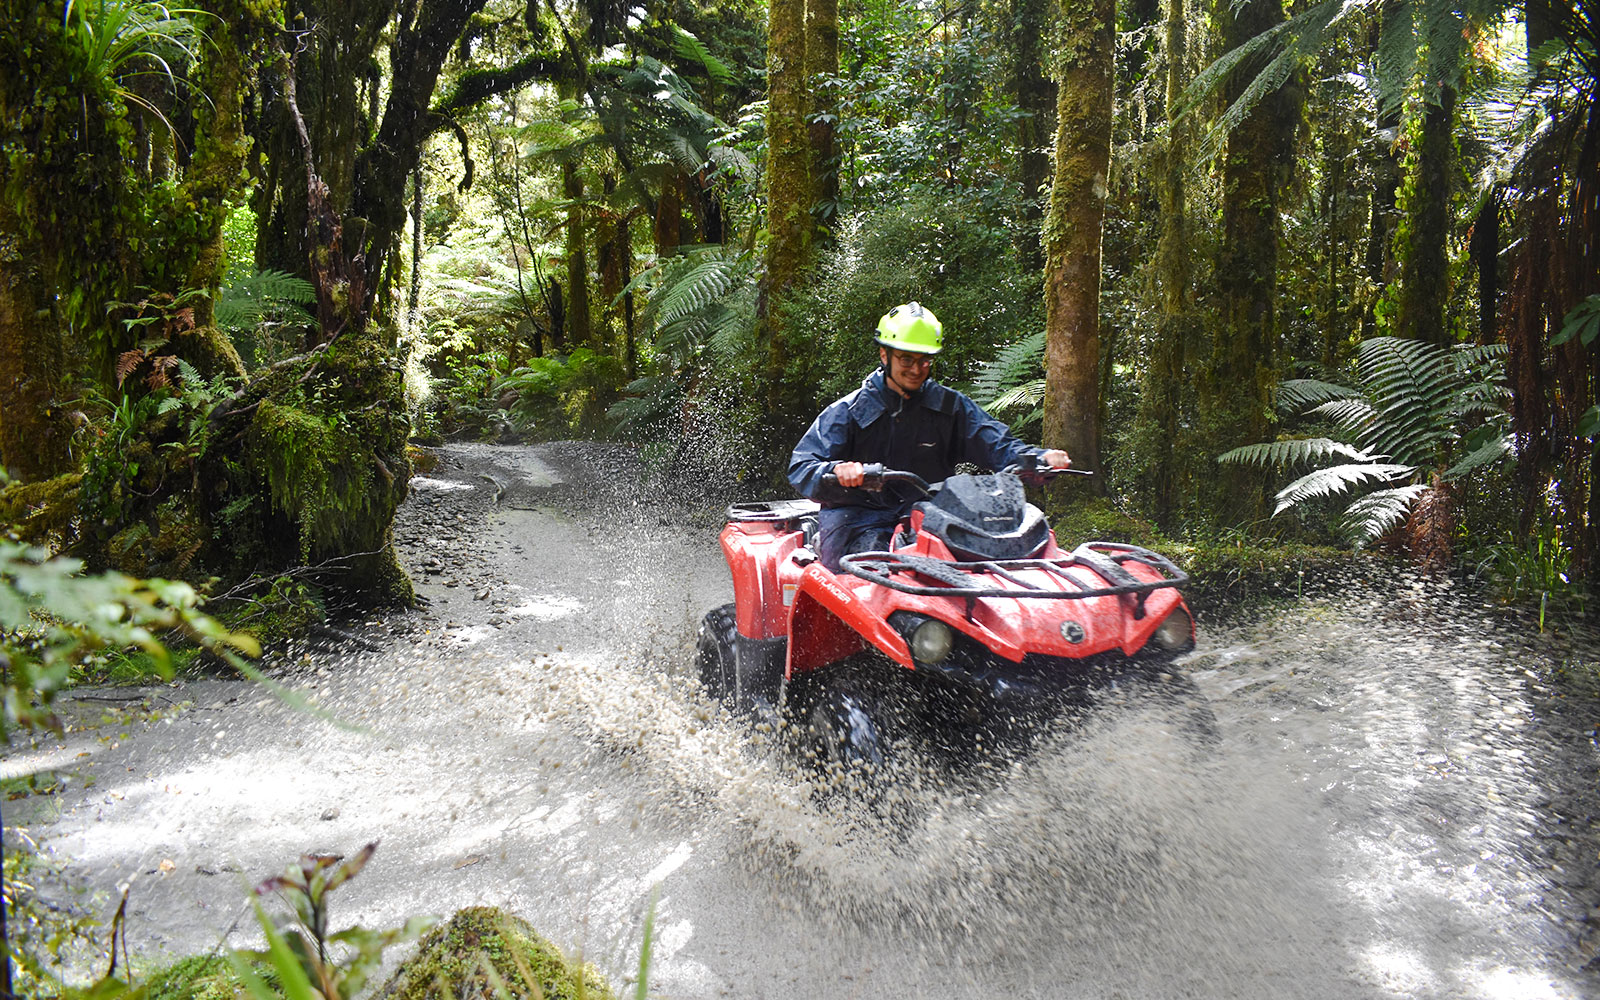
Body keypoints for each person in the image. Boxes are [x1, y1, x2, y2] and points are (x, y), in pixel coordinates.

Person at [787, 302, 1072, 570]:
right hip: (859, 517)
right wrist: (836, 470)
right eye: (906, 359)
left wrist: (1037, 458)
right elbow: (802, 466)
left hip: (932, 515)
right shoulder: (849, 411)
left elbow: (996, 443)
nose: (916, 368)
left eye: (925, 360)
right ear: (884, 355)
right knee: (855, 582)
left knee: (983, 570)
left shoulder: (950, 406)